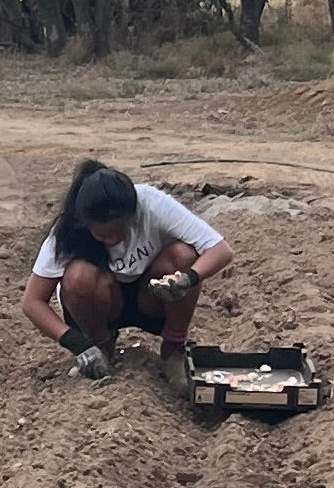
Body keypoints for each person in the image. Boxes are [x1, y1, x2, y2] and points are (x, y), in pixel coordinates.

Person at [19, 159, 229, 379]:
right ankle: (101, 346)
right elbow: (32, 302)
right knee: (78, 276)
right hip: (103, 303)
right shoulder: (68, 230)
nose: (112, 240)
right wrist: (77, 344)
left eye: (120, 232)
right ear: (85, 223)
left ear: (133, 214)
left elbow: (221, 250)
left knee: (184, 256)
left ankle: (173, 349)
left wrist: (187, 278)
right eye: (102, 235)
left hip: (152, 297)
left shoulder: (150, 203)